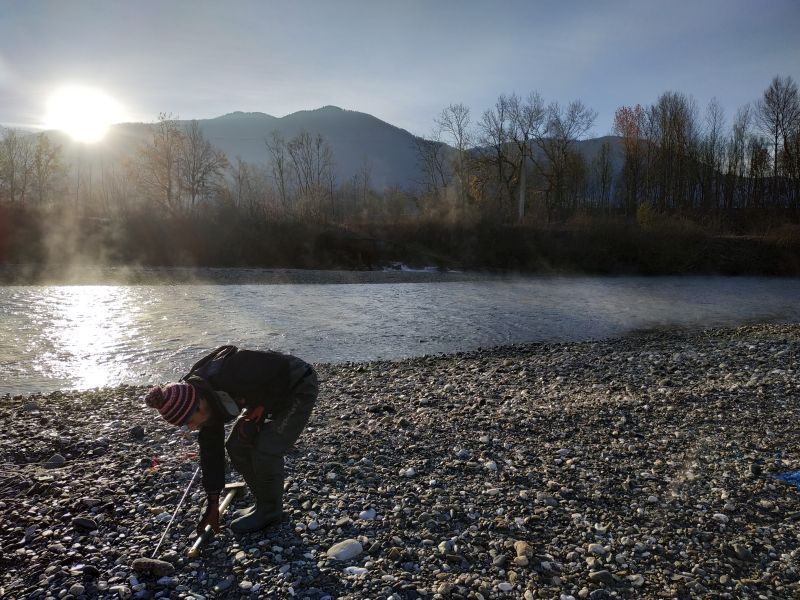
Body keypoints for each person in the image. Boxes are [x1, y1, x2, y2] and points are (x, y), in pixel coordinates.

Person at [144, 346, 318, 534]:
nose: (192, 428)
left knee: (266, 449)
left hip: (296, 385)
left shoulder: (233, 369)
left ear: (198, 406)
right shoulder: (205, 403)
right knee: (236, 446)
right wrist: (213, 504)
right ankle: (263, 503)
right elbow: (212, 456)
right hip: (263, 395)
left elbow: (280, 367)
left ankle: (271, 511)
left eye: (189, 422)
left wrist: (262, 405)